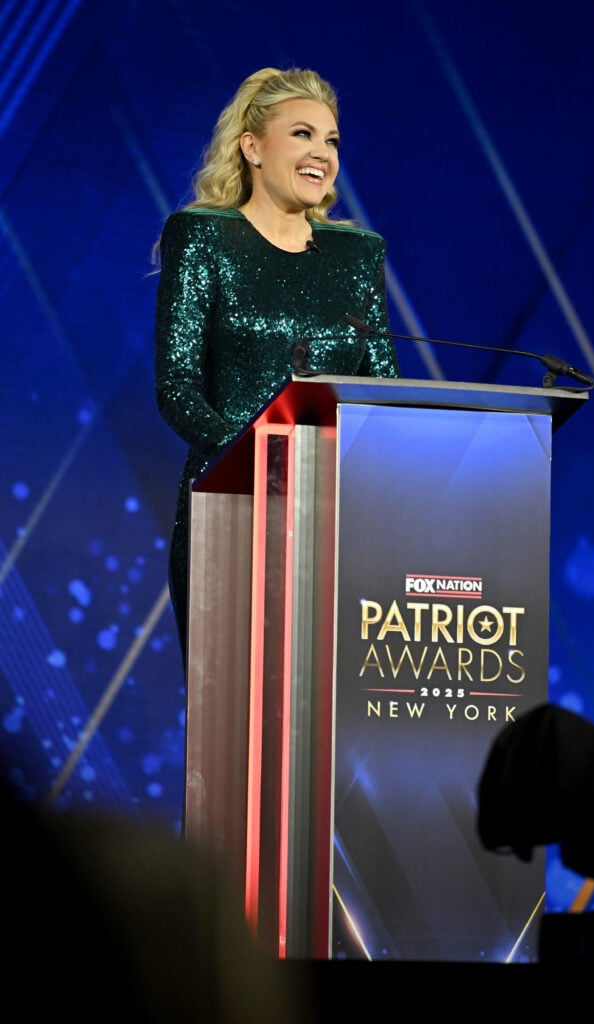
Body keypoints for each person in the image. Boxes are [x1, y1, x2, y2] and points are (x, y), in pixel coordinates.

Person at [153, 66, 400, 670]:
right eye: (302, 134)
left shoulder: (358, 253)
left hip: (339, 518)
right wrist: (253, 463)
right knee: (237, 702)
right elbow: (177, 386)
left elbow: (383, 390)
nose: (322, 153)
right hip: (231, 506)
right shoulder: (202, 236)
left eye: (331, 140)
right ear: (253, 147)